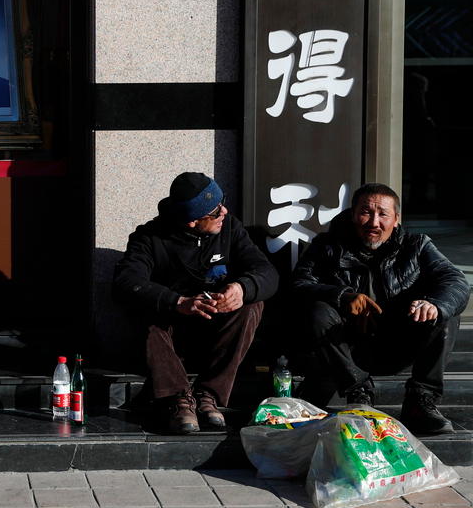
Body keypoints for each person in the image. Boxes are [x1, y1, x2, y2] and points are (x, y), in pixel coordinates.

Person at [292, 183, 470, 433]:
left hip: (398, 343)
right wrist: (343, 296)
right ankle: (359, 394)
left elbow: (455, 280)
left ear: (396, 220)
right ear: (353, 214)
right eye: (366, 212)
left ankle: (421, 401)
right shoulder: (327, 246)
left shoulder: (417, 245)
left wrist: (432, 304)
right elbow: (298, 285)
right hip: (346, 351)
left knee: (445, 313)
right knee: (319, 310)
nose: (374, 222)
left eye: (383, 214)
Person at [112, 173, 279, 434]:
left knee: (251, 305)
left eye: (223, 202)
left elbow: (267, 273)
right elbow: (125, 281)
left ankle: (208, 395)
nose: (224, 211)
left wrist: (242, 288)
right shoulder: (149, 237)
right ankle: (178, 399)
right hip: (170, 338)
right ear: (192, 221)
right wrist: (176, 302)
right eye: (215, 211)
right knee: (146, 313)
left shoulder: (230, 228)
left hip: (216, 333)